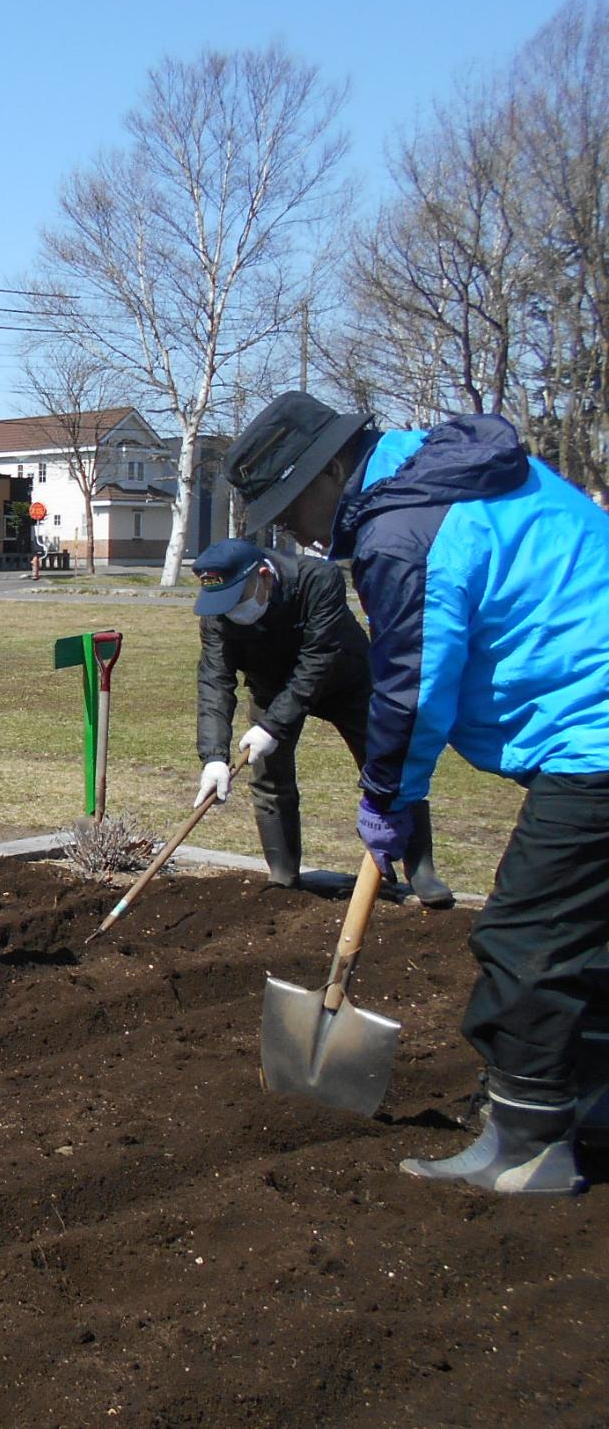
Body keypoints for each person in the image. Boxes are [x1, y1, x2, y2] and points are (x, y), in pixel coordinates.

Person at [227, 389, 609, 1195]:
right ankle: (589, 1100)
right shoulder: (438, 474)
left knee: (526, 938)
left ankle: (528, 1145)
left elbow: (413, 683)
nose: (293, 530)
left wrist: (388, 798)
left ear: (335, 464)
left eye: (293, 505)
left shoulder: (401, 531)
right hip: (587, 723)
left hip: (595, 732)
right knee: (584, 931)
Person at [190, 537, 451, 906]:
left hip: (345, 679)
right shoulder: (218, 611)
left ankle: (421, 871)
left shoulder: (318, 578)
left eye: (238, 600)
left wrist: (272, 726)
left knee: (390, 765)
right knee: (269, 777)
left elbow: (319, 657)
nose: (232, 611)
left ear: (264, 575)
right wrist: (214, 756)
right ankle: (283, 876)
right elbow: (215, 680)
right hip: (270, 687)